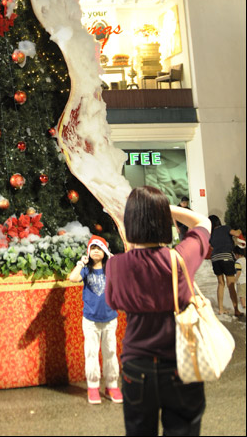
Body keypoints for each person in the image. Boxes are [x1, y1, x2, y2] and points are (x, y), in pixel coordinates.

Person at [105, 186, 212, 436]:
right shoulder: (181, 258)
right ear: (164, 221)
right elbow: (203, 222)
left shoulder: (116, 266)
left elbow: (113, 302)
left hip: (136, 366)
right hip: (180, 362)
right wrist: (164, 210)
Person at [68, 234, 123, 404]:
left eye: (99, 248)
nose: (96, 252)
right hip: (90, 320)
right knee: (91, 352)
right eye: (93, 248)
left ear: (105, 251)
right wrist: (80, 263)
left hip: (109, 318)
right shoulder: (85, 269)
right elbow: (73, 278)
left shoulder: (110, 268)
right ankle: (93, 387)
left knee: (110, 352)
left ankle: (112, 385)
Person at [208, 214, 244, 317]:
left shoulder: (212, 234)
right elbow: (236, 233)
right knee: (230, 284)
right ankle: (236, 310)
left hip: (215, 258)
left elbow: (211, 246)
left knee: (221, 283)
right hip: (226, 257)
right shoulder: (225, 228)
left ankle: (221, 309)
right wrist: (239, 231)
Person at [233, 245, 245, 311]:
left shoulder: (238, 262)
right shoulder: (245, 260)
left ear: (237, 254)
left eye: (234, 255)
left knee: (242, 295)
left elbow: (239, 272)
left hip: (242, 281)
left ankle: (244, 307)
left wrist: (235, 279)